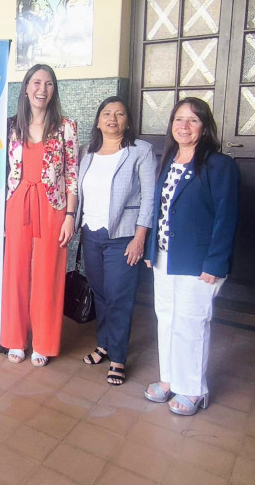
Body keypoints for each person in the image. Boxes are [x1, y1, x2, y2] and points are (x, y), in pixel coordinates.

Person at [143, 97, 240, 416]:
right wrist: (150, 250)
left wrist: (216, 263)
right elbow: (158, 210)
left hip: (198, 262)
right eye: (178, 119)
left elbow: (227, 217)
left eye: (193, 120)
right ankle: (170, 379)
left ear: (205, 127)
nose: (184, 126)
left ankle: (194, 389)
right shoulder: (168, 159)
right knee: (167, 318)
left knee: (191, 323)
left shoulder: (219, 164)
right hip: (164, 258)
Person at [74, 97, 156, 386]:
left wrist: (140, 237)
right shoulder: (86, 152)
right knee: (100, 293)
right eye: (107, 113)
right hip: (91, 233)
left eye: (120, 114)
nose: (113, 118)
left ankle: (118, 358)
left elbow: (150, 197)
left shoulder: (141, 151)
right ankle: (104, 345)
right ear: (98, 121)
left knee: (120, 297)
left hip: (124, 237)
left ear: (128, 121)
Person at [1, 64, 78, 367]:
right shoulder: (10, 126)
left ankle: (43, 342)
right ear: (26, 87)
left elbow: (72, 174)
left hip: (53, 204)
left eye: (48, 84)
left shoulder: (66, 127)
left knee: (48, 272)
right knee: (16, 271)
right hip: (17, 201)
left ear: (53, 90)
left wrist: (70, 215)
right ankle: (15, 339)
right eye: (36, 82)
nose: (42, 89)